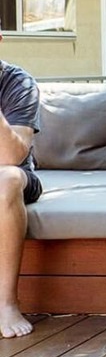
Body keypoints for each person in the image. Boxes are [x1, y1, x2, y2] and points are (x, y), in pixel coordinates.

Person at [0, 29, 42, 339]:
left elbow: (12, 156)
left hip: (13, 174)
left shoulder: (18, 83)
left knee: (6, 180)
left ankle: (7, 304)